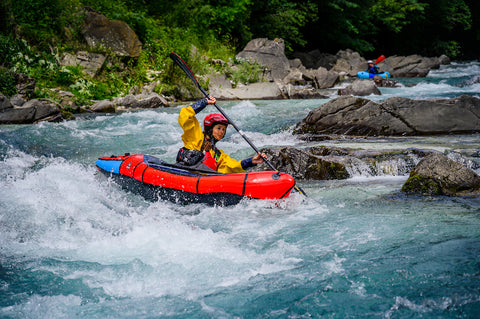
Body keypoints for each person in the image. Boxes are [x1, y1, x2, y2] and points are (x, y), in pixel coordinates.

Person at [177, 95, 266, 173]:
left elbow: (232, 166)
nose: (222, 132)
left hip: (201, 182)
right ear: (210, 129)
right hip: (182, 173)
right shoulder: (196, 136)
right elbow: (185, 115)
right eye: (218, 128)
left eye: (223, 129)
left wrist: (251, 161)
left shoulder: (217, 154)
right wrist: (203, 102)